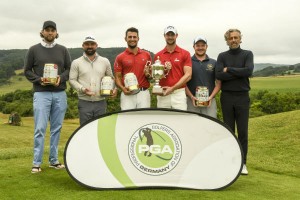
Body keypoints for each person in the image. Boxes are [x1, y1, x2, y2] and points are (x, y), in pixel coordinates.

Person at [24, 20, 71, 173]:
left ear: (56, 33)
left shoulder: (63, 50)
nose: (50, 32)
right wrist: (39, 80)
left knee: (56, 128)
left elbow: (69, 69)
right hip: (41, 93)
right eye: (47, 30)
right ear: (42, 32)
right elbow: (27, 71)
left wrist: (61, 78)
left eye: (53, 30)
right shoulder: (33, 50)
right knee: (40, 128)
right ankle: (36, 163)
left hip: (59, 93)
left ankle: (54, 160)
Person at [216, 28, 254, 175]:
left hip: (242, 97)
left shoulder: (247, 54)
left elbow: (248, 71)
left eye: (236, 37)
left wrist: (229, 69)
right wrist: (238, 72)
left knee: (243, 131)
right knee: (229, 131)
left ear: (240, 39)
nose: (233, 40)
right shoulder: (222, 56)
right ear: (227, 40)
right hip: (227, 97)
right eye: (231, 38)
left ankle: (243, 163)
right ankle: (230, 162)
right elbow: (219, 75)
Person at [69, 35, 117, 125]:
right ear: (83, 46)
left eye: (92, 44)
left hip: (101, 102)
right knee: (84, 129)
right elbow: (72, 80)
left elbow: (111, 78)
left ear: (96, 45)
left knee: (100, 129)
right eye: (87, 44)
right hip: (84, 102)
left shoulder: (105, 61)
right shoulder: (76, 62)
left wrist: (114, 89)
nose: (90, 46)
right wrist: (82, 89)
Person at [154, 25, 192, 110]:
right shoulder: (158, 55)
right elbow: (157, 76)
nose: (170, 37)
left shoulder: (185, 53)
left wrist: (172, 88)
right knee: (163, 121)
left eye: (172, 35)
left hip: (179, 94)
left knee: (180, 120)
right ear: (164, 36)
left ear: (176, 36)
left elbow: (188, 75)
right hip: (163, 94)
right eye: (168, 35)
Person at [114, 27, 152, 110]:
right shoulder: (120, 57)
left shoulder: (146, 55)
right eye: (130, 37)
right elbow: (117, 77)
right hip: (128, 94)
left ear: (138, 38)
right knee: (127, 119)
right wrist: (123, 88)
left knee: (144, 120)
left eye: (134, 37)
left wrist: (148, 74)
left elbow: (150, 76)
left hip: (143, 93)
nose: (132, 39)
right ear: (125, 38)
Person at [186, 36, 221, 118]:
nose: (200, 48)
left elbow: (219, 83)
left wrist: (210, 97)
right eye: (198, 45)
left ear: (207, 46)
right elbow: (184, 84)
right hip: (192, 102)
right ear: (193, 47)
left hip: (210, 102)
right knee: (192, 126)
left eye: (203, 45)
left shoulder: (214, 62)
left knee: (210, 126)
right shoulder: (188, 62)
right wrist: (191, 97)